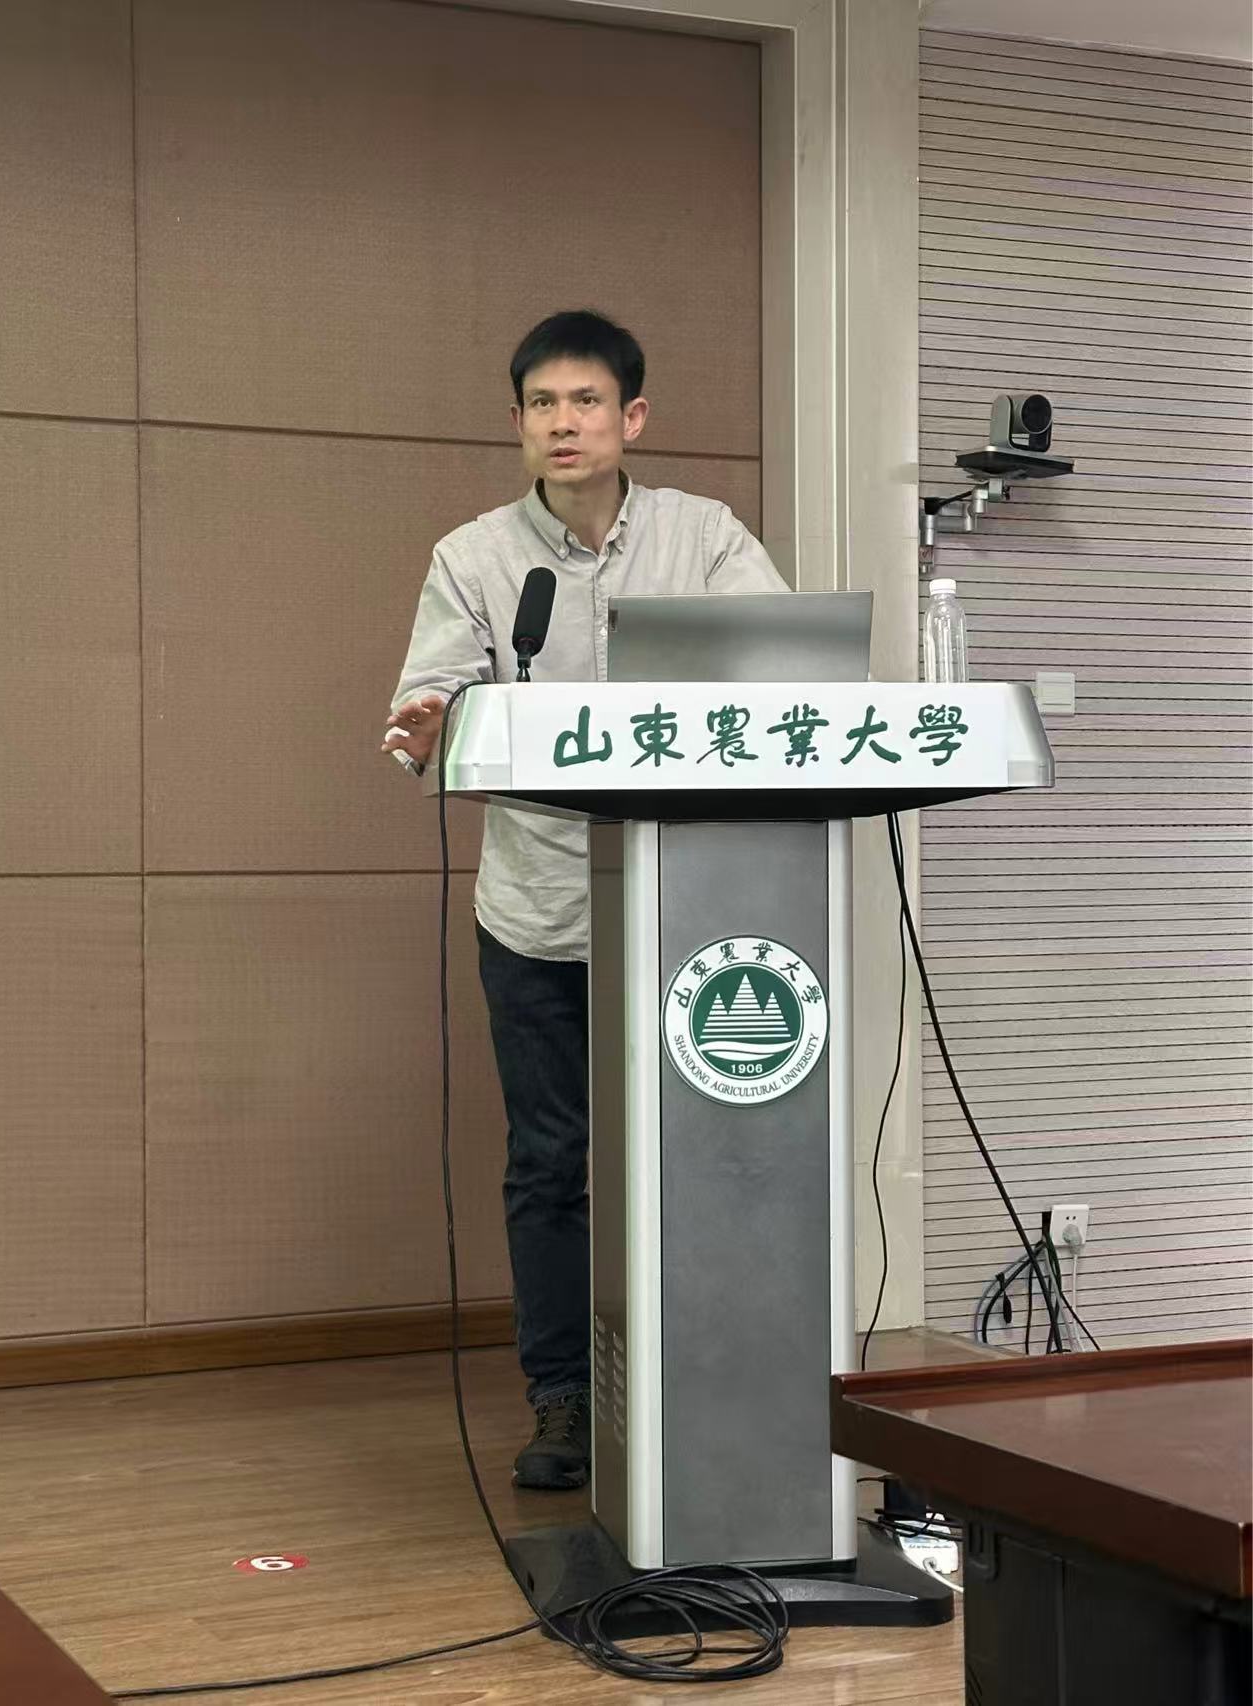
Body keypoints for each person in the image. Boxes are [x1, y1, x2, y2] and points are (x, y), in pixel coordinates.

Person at [382, 310, 786, 1489]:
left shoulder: (704, 537)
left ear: (632, 417)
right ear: (519, 423)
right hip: (539, 909)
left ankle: (700, 1376)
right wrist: (432, 726)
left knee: (707, 1152)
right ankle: (563, 1399)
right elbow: (426, 712)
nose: (564, 422)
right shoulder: (475, 557)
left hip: (689, 903)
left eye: (588, 400)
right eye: (542, 404)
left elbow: (787, 677)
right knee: (551, 1162)